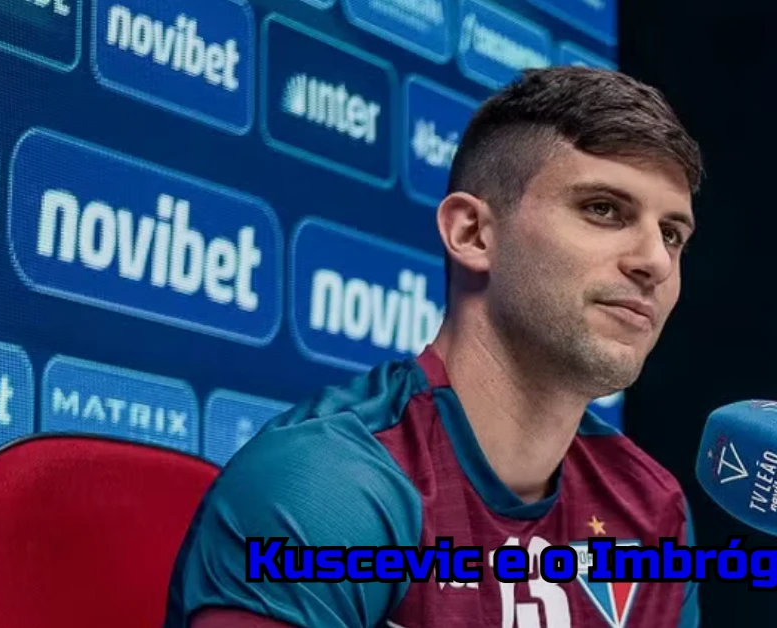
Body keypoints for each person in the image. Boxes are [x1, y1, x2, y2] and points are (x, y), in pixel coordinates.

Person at [163, 65, 705, 628]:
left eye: (672, 234)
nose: (655, 262)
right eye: (603, 209)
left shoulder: (651, 510)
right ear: (472, 233)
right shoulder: (325, 486)